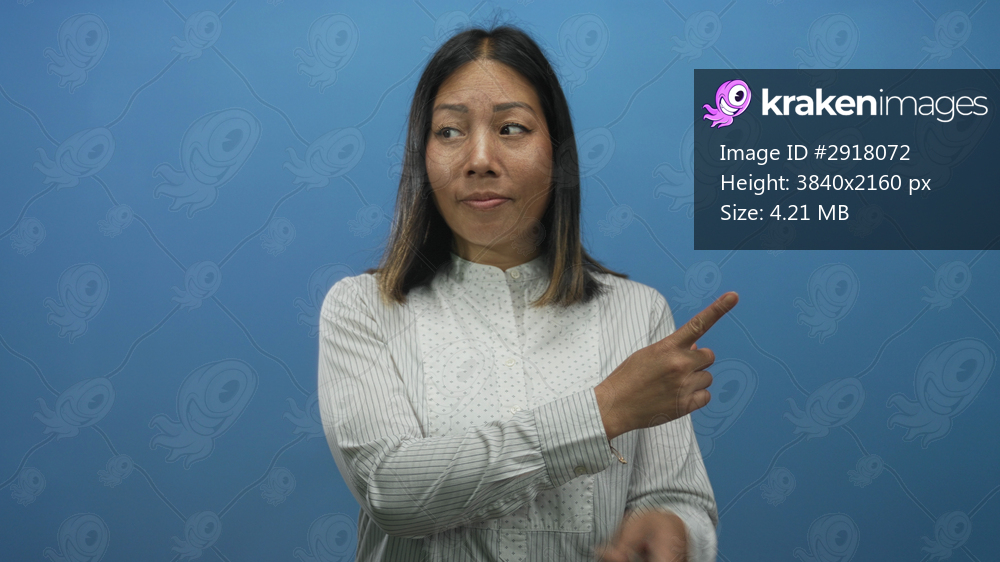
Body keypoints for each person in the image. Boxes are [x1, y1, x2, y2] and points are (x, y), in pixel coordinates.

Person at [317, 23, 738, 562]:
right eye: (449, 131)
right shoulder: (363, 309)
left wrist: (674, 530)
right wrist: (602, 411)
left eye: (511, 128)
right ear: (421, 156)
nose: (479, 159)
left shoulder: (638, 313)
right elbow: (392, 491)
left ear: (558, 154)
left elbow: (678, 499)